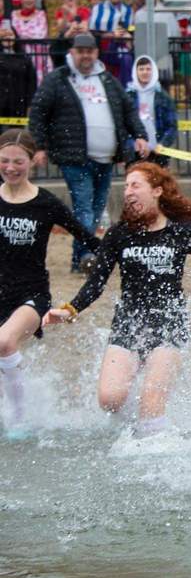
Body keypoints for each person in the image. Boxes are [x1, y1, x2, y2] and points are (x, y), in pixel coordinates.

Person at [44, 163, 191, 439]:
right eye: (127, 186)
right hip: (129, 321)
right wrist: (70, 309)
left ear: (156, 191)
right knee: (110, 400)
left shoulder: (183, 232)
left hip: (169, 321)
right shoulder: (119, 234)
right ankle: (139, 402)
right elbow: (96, 283)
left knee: (151, 407)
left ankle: (153, 442)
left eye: (135, 185)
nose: (128, 192)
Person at [0, 130, 100, 440]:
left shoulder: (46, 203)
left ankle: (19, 419)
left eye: (18, 161)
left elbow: (87, 238)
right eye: (4, 161)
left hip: (31, 295)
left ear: (33, 161)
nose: (11, 167)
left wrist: (119, 253)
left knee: (4, 343)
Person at [28, 32, 149, 273]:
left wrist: (140, 135)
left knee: (95, 209)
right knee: (84, 207)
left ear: (96, 52)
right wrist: (39, 147)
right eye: (80, 51)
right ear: (71, 52)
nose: (85, 55)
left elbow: (127, 109)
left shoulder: (106, 79)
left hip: (105, 157)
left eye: (90, 51)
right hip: (73, 156)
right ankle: (86, 254)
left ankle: (81, 256)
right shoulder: (58, 79)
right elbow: (38, 112)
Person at [125, 55, 178, 167]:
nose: (145, 72)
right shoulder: (127, 96)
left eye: (148, 69)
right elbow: (123, 125)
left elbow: (172, 126)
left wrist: (163, 144)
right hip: (135, 152)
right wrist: (132, 145)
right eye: (141, 69)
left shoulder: (163, 97)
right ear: (136, 71)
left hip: (158, 153)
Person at [88, 0, 133, 84]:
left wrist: (128, 38)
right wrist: (112, 35)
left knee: (127, 59)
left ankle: (126, 88)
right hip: (102, 45)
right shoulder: (98, 8)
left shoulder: (128, 10)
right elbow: (93, 30)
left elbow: (131, 28)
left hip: (122, 44)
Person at [10, 0, 52, 85]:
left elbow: (40, 34)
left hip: (38, 57)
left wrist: (21, 36)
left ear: (35, 0)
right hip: (19, 55)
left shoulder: (41, 14)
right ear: (21, 0)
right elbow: (12, 33)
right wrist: (25, 36)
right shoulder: (13, 14)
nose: (28, 0)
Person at [0, 27, 37, 121]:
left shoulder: (24, 58)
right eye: (4, 36)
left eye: (10, 35)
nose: (7, 38)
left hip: (19, 104)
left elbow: (31, 83)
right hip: (1, 103)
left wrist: (30, 104)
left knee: (17, 133)